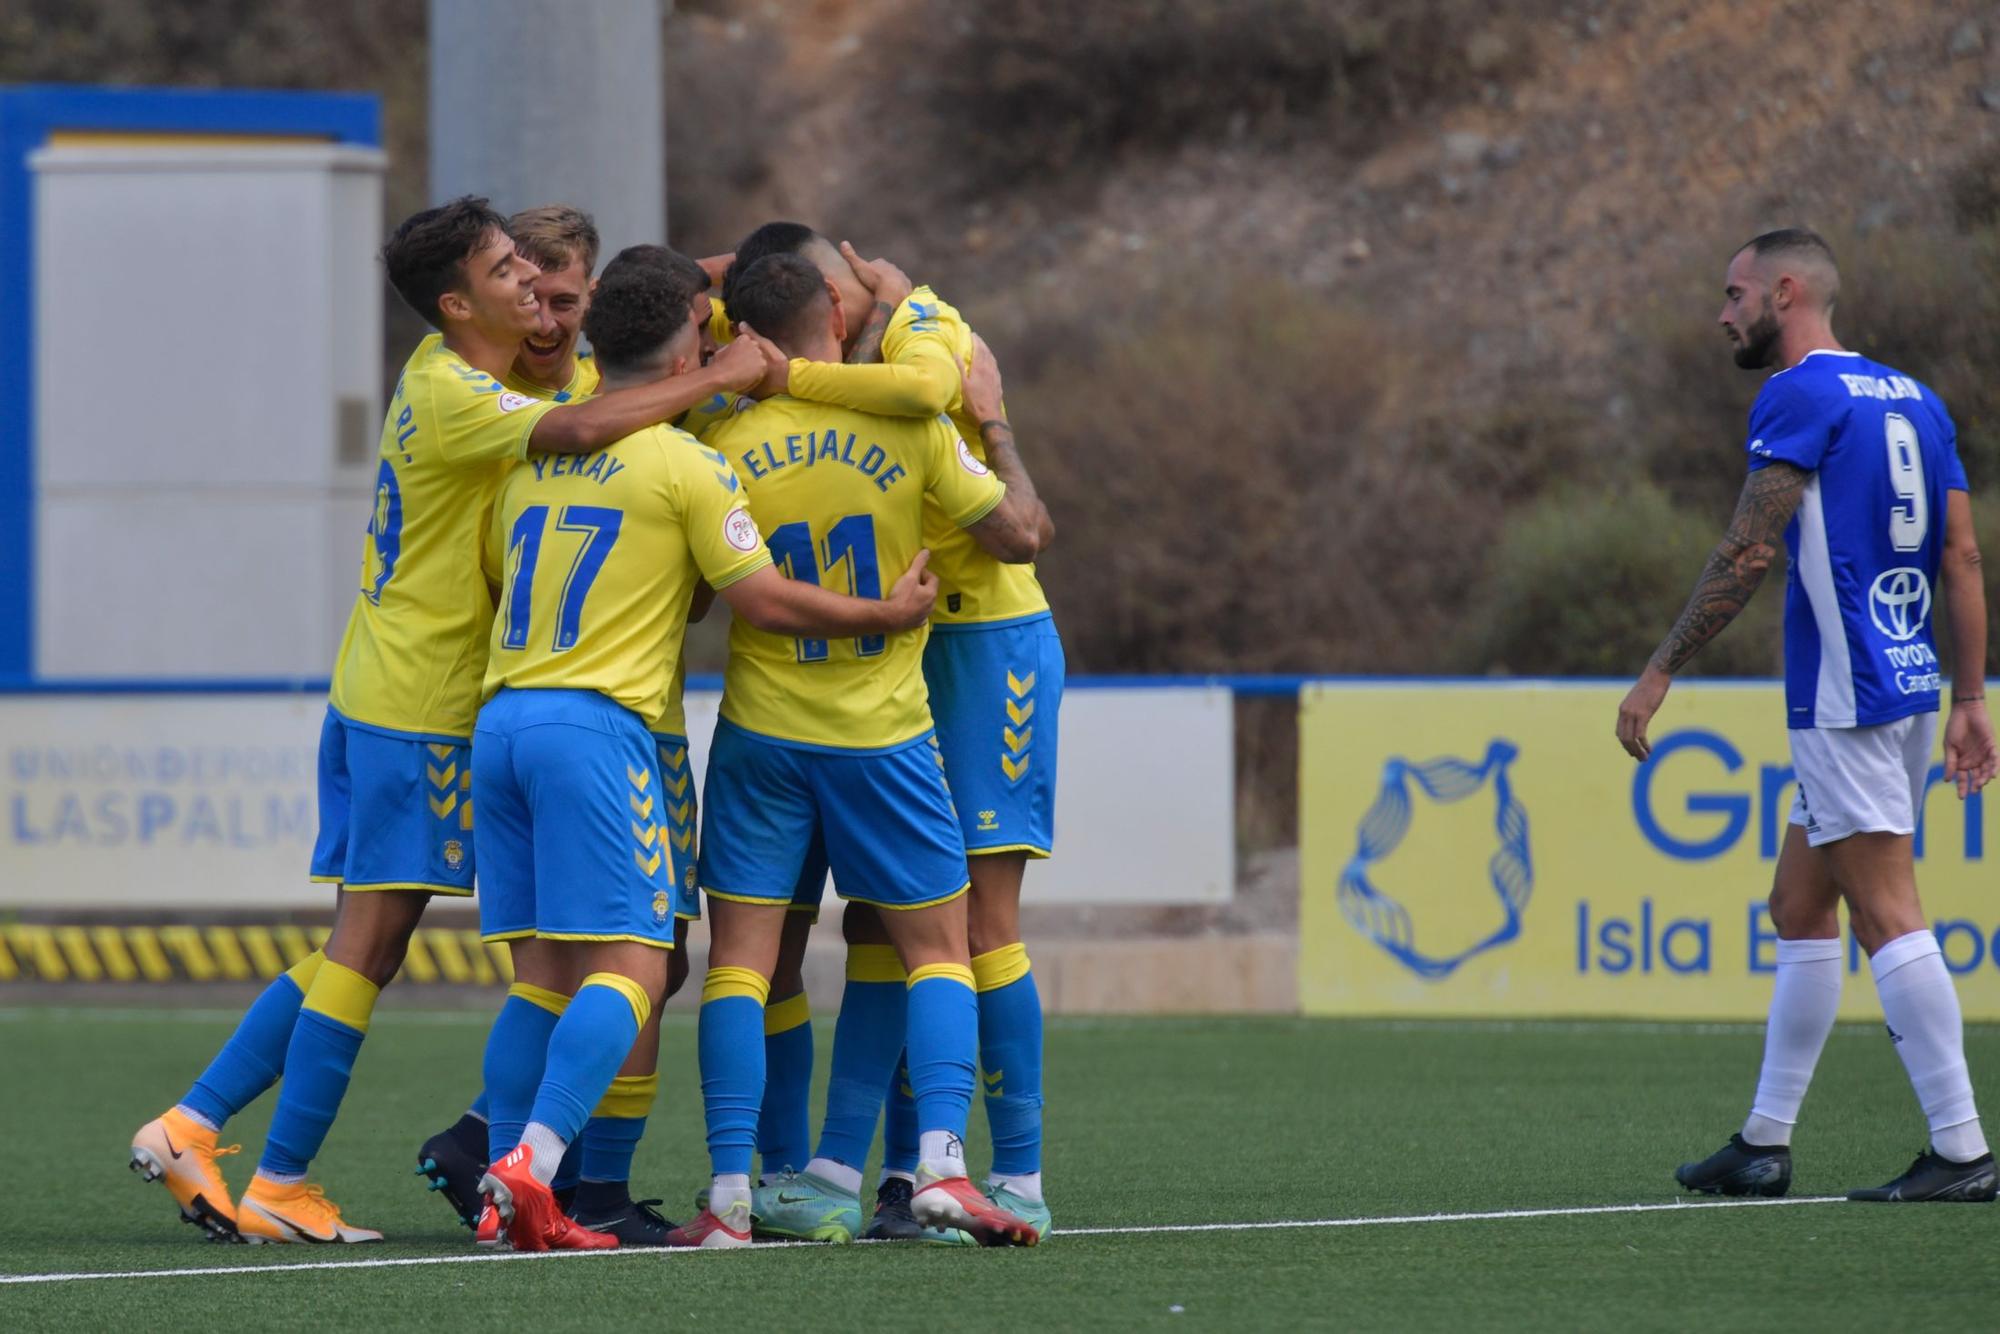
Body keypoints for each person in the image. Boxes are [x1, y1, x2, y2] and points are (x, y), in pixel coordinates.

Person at [128, 196, 764, 1245]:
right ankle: (273, 1171)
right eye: (514, 275)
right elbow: (579, 422)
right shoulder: (462, 390)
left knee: (373, 946)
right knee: (369, 945)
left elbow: (596, 347)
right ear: (459, 300)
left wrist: (708, 274)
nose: (541, 299)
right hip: (422, 699)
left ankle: (204, 1121)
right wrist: (723, 371)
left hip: (404, 689)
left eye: (553, 283)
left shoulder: (474, 369)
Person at [470, 256, 940, 1251]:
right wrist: (883, 612)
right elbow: (755, 599)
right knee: (640, 963)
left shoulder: (531, 455)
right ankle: (534, 1165)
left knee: (546, 972)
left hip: (502, 716)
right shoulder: (687, 462)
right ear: (690, 349)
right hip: (602, 727)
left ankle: (498, 1180)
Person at [667, 252, 1044, 1248]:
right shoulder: (910, 427)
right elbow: (1015, 533)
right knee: (937, 951)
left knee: (740, 967)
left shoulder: (717, 435)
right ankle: (940, 1165)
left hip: (759, 730)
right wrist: (989, 420)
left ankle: (730, 1193)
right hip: (881, 733)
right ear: (836, 313)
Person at [1617, 228, 1998, 1203]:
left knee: (1883, 907)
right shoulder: (1914, 396)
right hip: (1908, 679)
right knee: (1799, 902)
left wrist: (1659, 668)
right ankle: (1761, 1142)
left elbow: (1749, 548)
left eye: (1734, 291)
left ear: (1786, 292)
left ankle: (1960, 1149)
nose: (1722, 311)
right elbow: (1959, 557)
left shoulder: (1796, 392)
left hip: (1845, 690)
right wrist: (1967, 694)